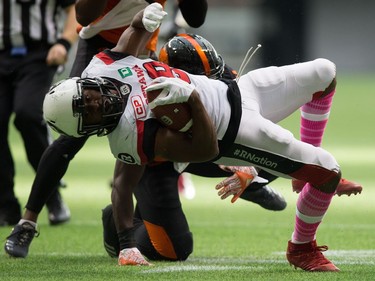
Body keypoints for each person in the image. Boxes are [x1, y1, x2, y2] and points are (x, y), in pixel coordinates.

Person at [41, 4, 359, 271]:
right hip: (232, 132)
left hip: (238, 90)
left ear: (86, 84)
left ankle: (302, 179)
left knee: (324, 72)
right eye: (91, 111)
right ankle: (301, 247)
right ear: (91, 127)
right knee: (328, 171)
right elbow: (206, 149)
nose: (98, 102)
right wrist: (192, 99)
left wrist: (140, 22)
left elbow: (128, 43)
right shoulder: (130, 136)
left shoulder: (101, 66)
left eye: (90, 96)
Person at [0, 0, 77, 226]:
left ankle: (52, 196)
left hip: (40, 56)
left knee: (28, 115)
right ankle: (6, 205)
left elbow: (73, 8)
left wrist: (64, 43)